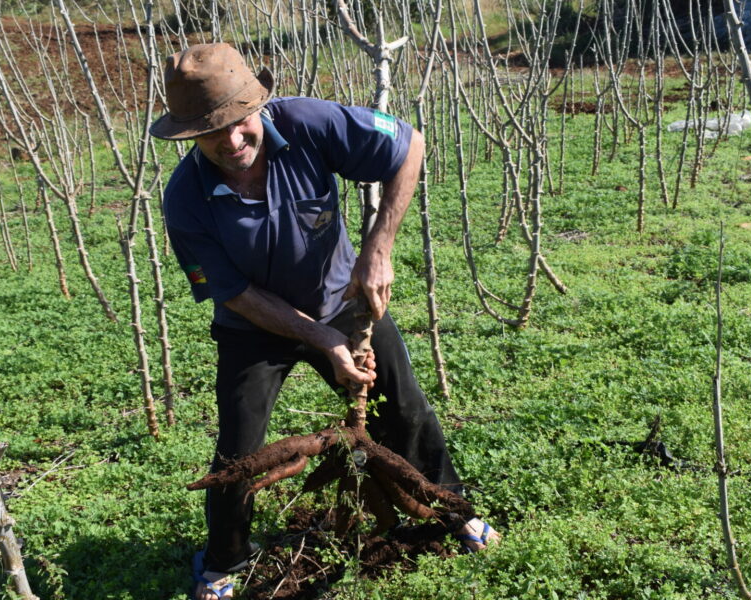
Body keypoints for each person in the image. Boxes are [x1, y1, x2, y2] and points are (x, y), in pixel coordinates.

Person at [150, 43, 499, 600]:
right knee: (240, 451)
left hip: (342, 300)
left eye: (239, 122)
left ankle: (454, 512)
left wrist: (378, 249)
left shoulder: (308, 123)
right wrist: (321, 339)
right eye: (212, 133)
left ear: (257, 107)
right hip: (253, 329)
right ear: (189, 135)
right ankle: (223, 563)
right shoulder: (185, 200)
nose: (232, 141)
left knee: (404, 409)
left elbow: (409, 144)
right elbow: (234, 293)